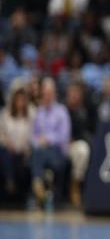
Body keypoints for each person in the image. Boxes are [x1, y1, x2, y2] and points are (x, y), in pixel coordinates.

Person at [31, 77, 71, 206]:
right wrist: (38, 142)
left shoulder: (62, 111)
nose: (47, 96)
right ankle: (39, 185)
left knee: (39, 153)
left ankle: (37, 182)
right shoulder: (39, 112)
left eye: (50, 93)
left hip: (57, 152)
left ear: (54, 94)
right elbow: (33, 135)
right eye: (45, 93)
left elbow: (64, 136)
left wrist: (47, 140)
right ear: (42, 94)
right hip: (41, 151)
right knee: (38, 151)